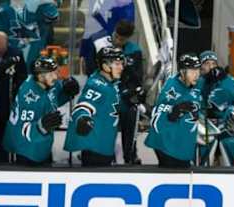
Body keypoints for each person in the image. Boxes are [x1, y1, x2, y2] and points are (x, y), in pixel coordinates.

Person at [3, 56, 79, 166]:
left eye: (55, 72)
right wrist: (40, 126)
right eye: (51, 74)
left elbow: (55, 100)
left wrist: (69, 92)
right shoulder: (28, 96)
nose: (55, 77)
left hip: (43, 145)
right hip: (26, 148)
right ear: (40, 76)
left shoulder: (49, 84)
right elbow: (23, 129)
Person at [64, 46, 124, 167]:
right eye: (117, 64)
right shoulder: (97, 85)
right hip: (95, 148)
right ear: (106, 66)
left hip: (104, 145)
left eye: (122, 64)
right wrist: (83, 118)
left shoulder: (110, 83)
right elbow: (83, 106)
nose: (121, 68)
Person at [144, 53, 202, 168]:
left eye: (198, 70)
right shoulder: (172, 87)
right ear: (182, 71)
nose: (196, 74)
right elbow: (159, 112)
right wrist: (175, 110)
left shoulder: (195, 85)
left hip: (182, 144)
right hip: (168, 145)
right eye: (192, 71)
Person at [0, 31, 27, 162]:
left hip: (4, 101)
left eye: (2, 50)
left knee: (2, 132)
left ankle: (2, 160)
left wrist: (15, 91)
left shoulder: (16, 54)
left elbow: (22, 78)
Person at [0, 0, 59, 71]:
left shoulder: (41, 5)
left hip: (36, 52)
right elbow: (1, 35)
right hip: (14, 55)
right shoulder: (3, 9)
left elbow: (52, 14)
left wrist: (49, 2)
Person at [114, 20, 145, 164]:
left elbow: (138, 77)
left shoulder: (135, 51)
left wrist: (133, 92)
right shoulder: (106, 46)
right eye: (117, 36)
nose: (118, 40)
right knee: (108, 127)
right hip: (111, 93)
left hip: (128, 96)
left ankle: (130, 156)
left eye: (122, 38)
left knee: (130, 128)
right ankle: (106, 154)